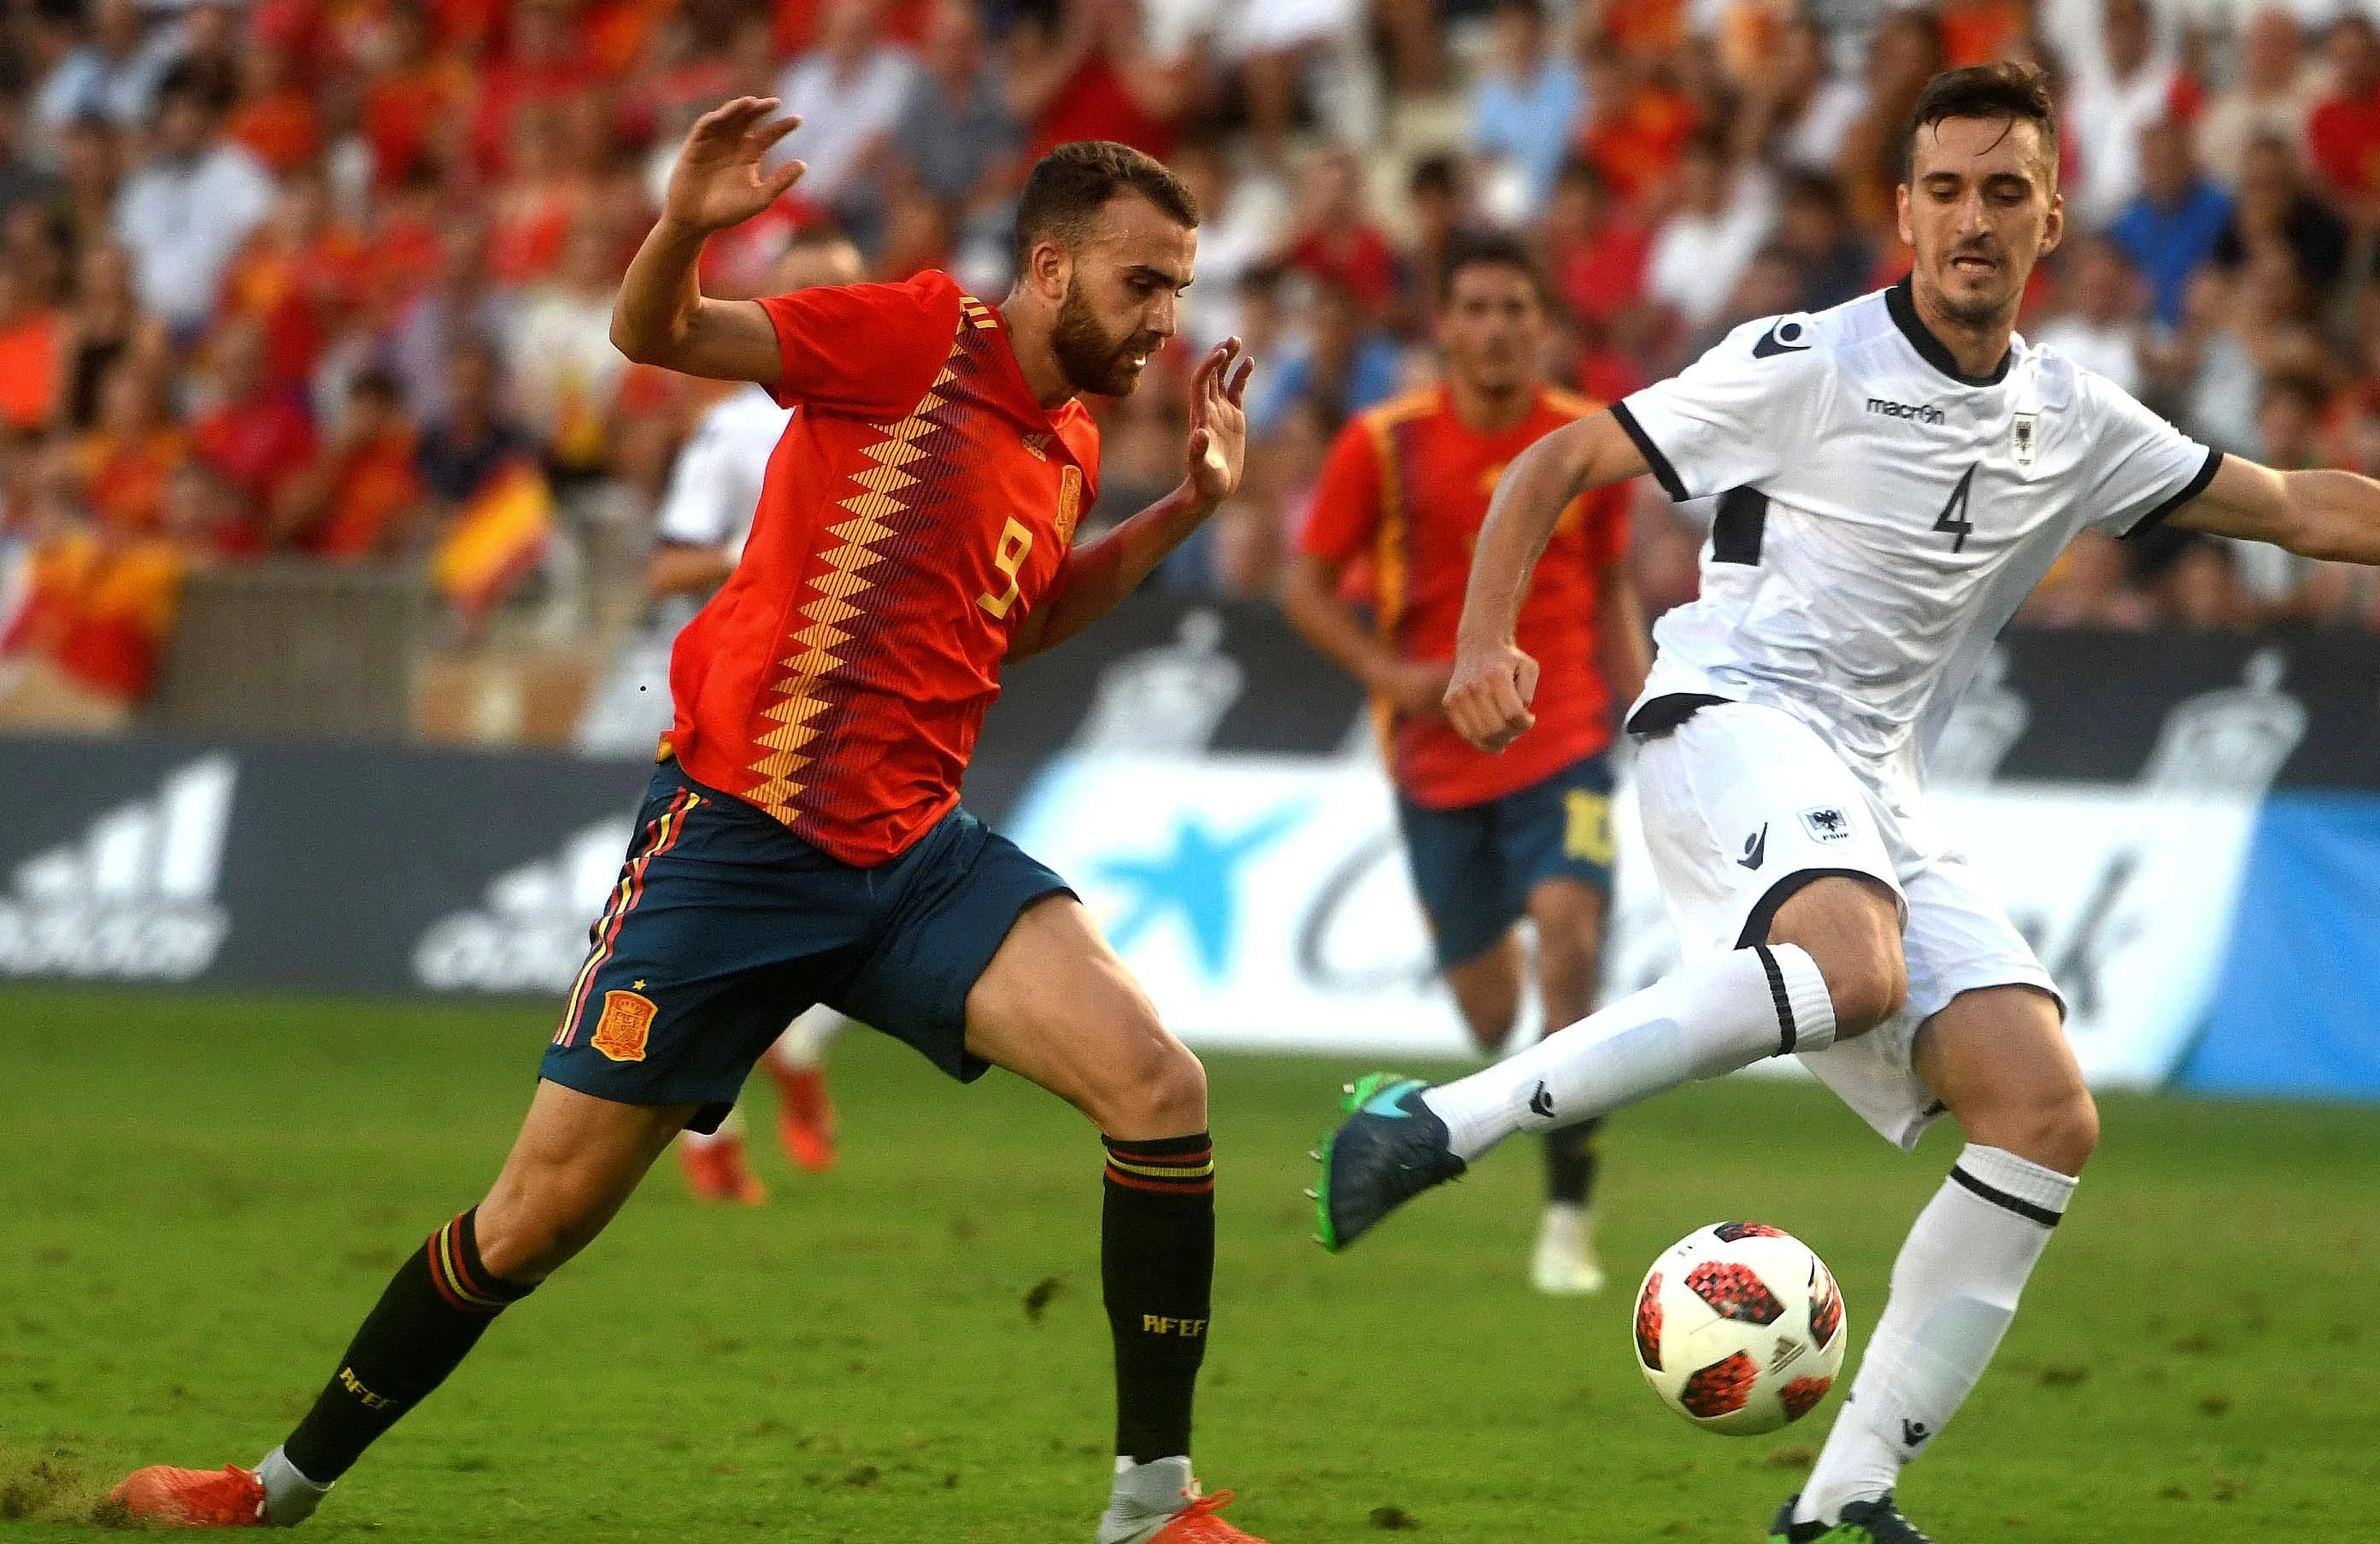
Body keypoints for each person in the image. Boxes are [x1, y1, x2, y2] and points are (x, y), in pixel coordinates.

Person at [1310, 62, 2380, 1544]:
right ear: (1902, 212)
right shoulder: (1810, 358)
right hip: (1728, 720)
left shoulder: (2072, 413)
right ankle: (1432, 1122)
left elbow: (2298, 503)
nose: (1970, 219)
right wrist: (1486, 638)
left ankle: (1843, 1499)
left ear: (2050, 217)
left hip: (1873, 781)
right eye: (1943, 190)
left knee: (2042, 1109)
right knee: (1854, 965)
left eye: (2002, 191)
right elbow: (1560, 457)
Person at [107, 106, 1267, 1544]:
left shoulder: (1070, 443)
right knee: (530, 1220)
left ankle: (1150, 1508)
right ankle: (272, 1489)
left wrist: (1180, 513)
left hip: (909, 854)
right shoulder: (914, 337)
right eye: (1143, 282)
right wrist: (682, 224)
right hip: (738, 840)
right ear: (1047, 271)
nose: (1168, 316)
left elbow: (1013, 623)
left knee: (1159, 1085)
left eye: (1178, 287)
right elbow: (660, 336)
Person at [1280, 233, 1648, 1295]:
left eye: (1514, 308)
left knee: (1571, 949)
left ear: (1544, 325)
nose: (1494, 326)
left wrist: (1649, 699)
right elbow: (1305, 587)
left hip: (1565, 738)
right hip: (1438, 765)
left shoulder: (1588, 439)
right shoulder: (1381, 445)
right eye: (1475, 307)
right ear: (1443, 325)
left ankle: (1569, 1217)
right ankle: (1509, 1112)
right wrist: (1386, 673)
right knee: (1491, 1016)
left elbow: (1612, 577)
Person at [574, 223, 875, 1203]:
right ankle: (716, 1142)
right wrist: (772, 548)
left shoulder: (902, 417)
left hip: (857, 705)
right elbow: (667, 564)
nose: (823, 311)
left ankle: (793, 1053)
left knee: (867, 921)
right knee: (701, 926)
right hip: (738, 704)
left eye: (840, 292)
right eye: (801, 292)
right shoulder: (735, 429)